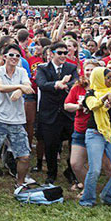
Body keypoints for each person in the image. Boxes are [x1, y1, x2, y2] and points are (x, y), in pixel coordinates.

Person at [0, 44, 34, 192]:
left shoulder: (22, 71)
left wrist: (21, 89)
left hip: (17, 121)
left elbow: (29, 88)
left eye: (17, 55)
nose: (15, 58)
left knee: (24, 156)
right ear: (4, 57)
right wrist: (20, 87)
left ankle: (20, 183)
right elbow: (1, 88)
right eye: (11, 55)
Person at [80, 67, 111, 207]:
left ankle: (107, 195)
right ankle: (87, 200)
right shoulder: (90, 93)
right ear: (99, 78)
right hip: (95, 134)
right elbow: (93, 105)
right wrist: (104, 98)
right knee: (94, 169)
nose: (110, 80)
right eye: (107, 78)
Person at [35, 42, 79, 185]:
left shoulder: (71, 67)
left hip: (68, 113)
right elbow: (41, 84)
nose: (63, 56)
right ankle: (51, 173)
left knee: (74, 144)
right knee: (51, 145)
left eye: (65, 53)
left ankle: (70, 172)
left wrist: (65, 85)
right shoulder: (42, 68)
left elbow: (76, 83)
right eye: (60, 53)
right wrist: (56, 84)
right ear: (52, 53)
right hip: (50, 113)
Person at [64, 60, 100, 192]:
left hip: (97, 131)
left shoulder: (103, 88)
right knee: (75, 164)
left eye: (93, 69)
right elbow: (67, 105)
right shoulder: (78, 87)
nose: (90, 72)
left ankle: (88, 190)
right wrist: (79, 106)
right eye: (87, 70)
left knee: (93, 165)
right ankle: (88, 186)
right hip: (80, 129)